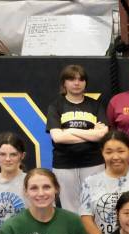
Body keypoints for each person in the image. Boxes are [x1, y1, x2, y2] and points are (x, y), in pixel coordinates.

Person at [45, 64, 109, 212]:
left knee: (96, 205)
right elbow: (58, 137)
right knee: (70, 208)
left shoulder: (95, 105)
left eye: (81, 79)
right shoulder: (56, 106)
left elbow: (101, 135)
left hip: (93, 161)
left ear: (85, 82)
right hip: (64, 164)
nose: (76, 83)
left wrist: (70, 130)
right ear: (64, 83)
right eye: (71, 79)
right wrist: (90, 134)